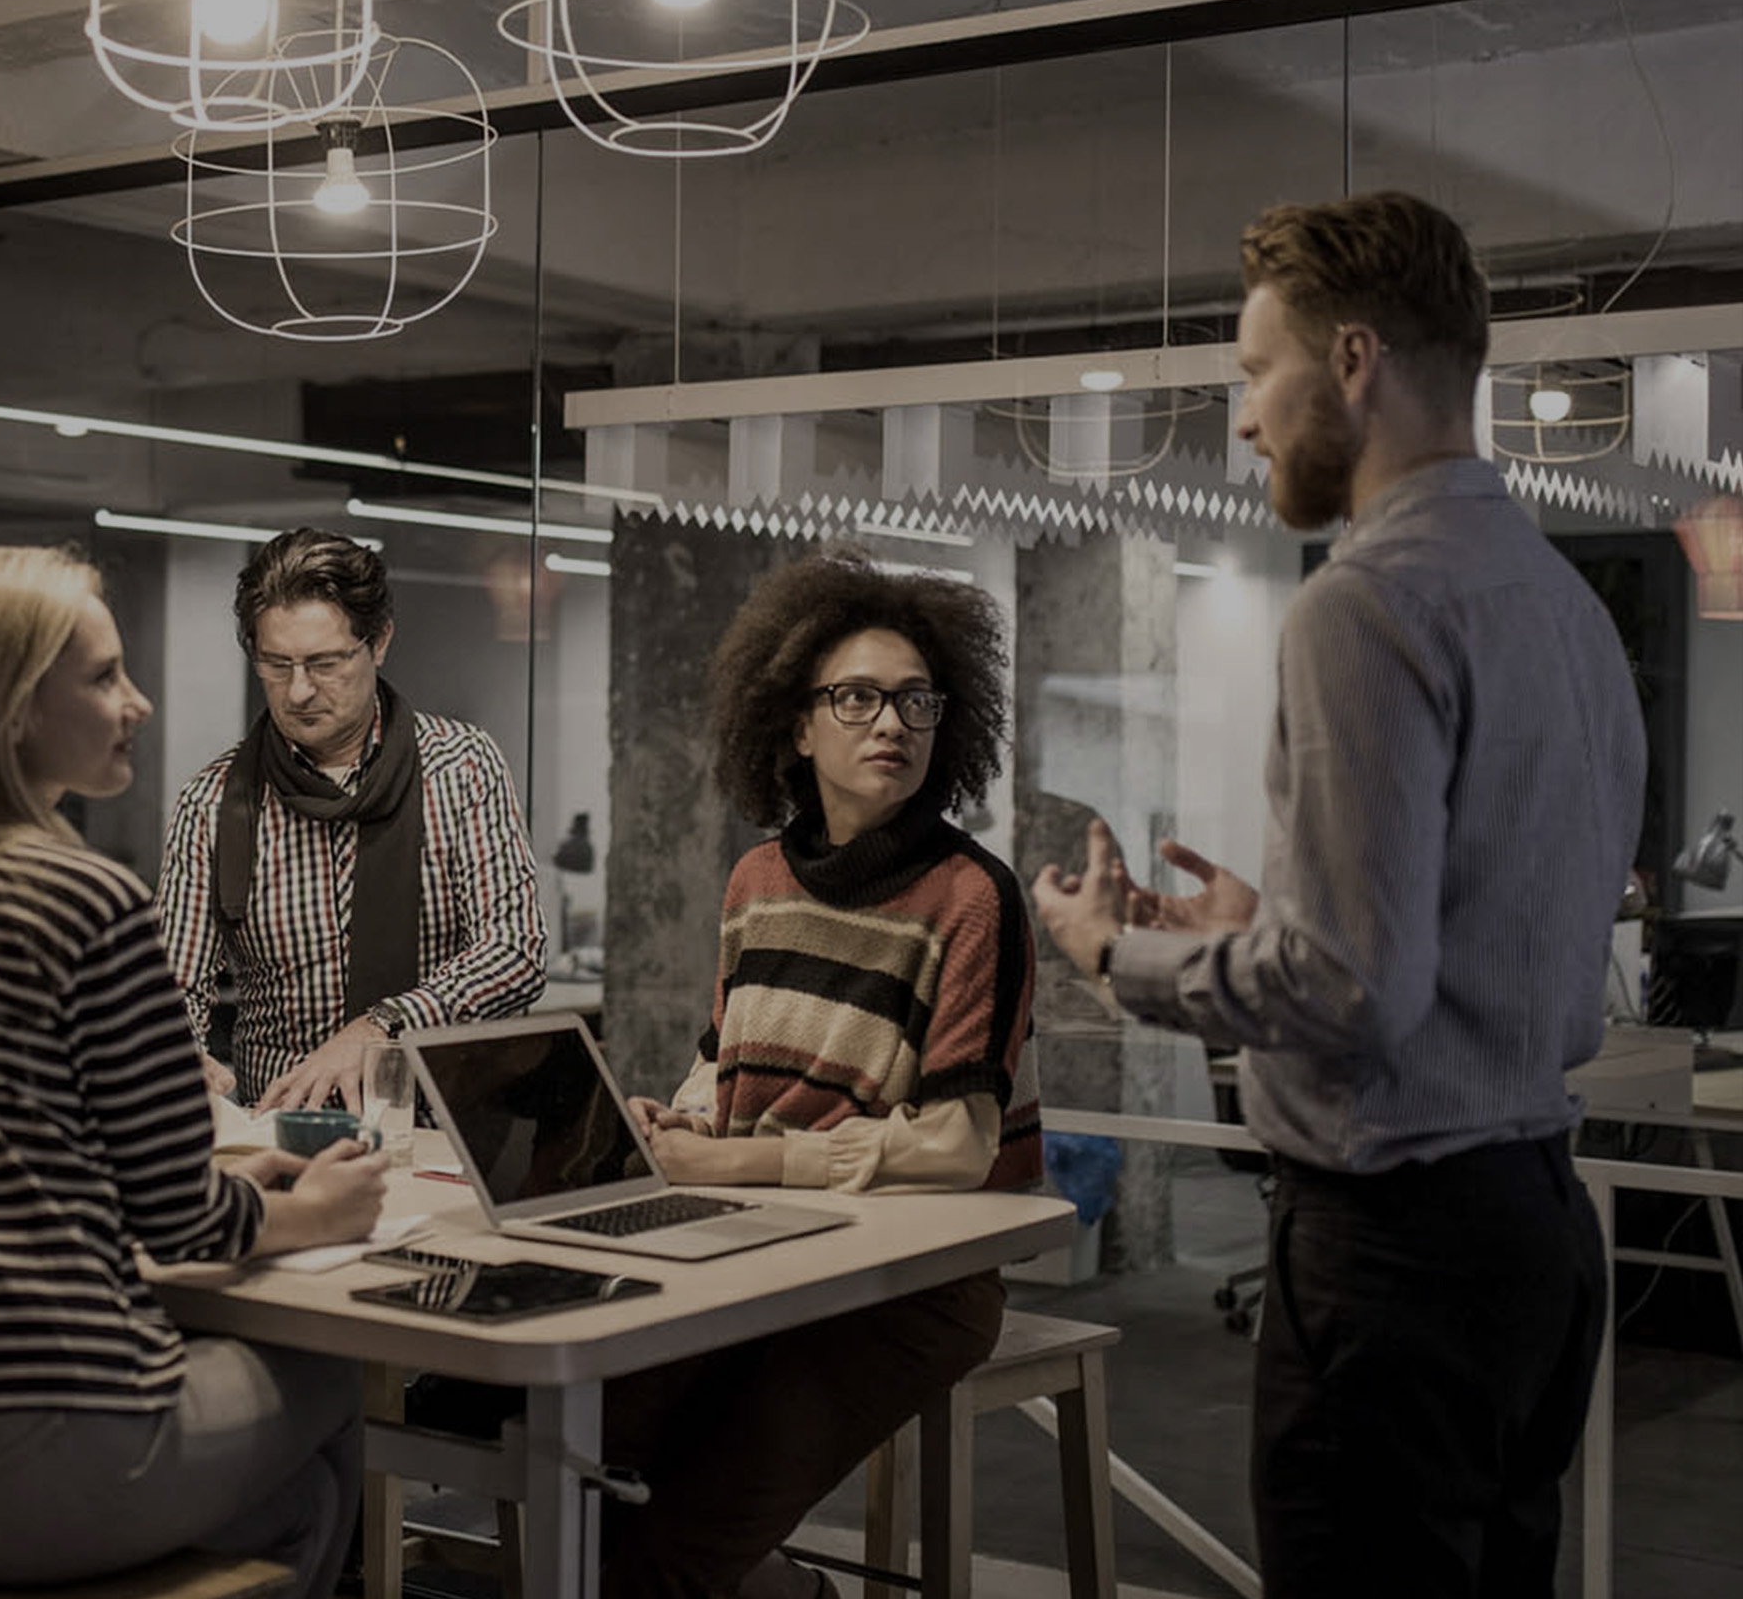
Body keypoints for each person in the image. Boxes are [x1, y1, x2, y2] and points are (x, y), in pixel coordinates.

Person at [1029, 190, 1641, 1597]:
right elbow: (1475, 931)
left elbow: (1355, 988)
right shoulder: (1569, 609)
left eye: (1257, 371)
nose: (1245, 418)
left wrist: (1115, 953)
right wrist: (1268, 928)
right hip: (1537, 1240)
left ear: (1353, 359)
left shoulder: (1363, 605)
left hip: (1396, 1262)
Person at [0, 546, 388, 1599]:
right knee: (334, 1385)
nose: (138, 702)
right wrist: (318, 1212)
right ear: (11, 707)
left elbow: (6, 1164)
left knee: (286, 1498)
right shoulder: (84, 898)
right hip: (25, 1451)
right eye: (105, 676)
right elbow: (183, 1222)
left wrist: (223, 1183)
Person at [614, 549, 1041, 1599]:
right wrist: (683, 1120)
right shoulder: (757, 878)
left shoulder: (972, 896)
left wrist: (753, 1161)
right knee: (589, 1461)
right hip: (757, 1253)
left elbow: (959, 1145)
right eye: (857, 697)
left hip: (908, 1286)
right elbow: (723, 1060)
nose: (891, 723)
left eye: (915, 700)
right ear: (798, 725)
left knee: (672, 1543)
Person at [158, 527, 547, 1110]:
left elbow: (515, 952)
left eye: (324, 662)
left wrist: (381, 1026)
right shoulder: (213, 803)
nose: (299, 691)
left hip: (440, 1130)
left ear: (379, 641)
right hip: (284, 1133)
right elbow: (172, 988)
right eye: (276, 665)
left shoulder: (461, 767)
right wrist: (176, 1050)